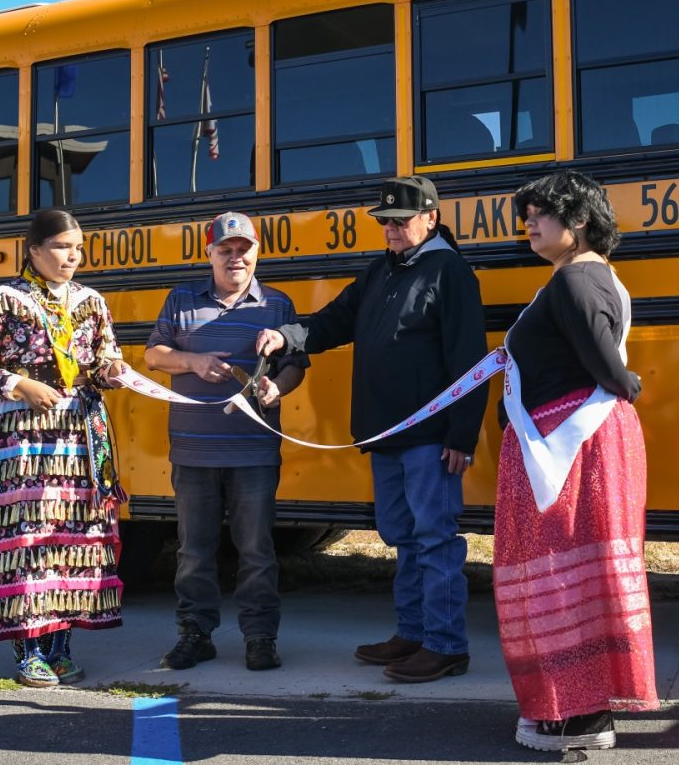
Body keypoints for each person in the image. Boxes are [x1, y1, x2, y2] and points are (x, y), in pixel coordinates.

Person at [255, 176, 487, 683]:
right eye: (384, 222)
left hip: (429, 438)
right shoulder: (382, 270)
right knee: (403, 536)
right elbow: (332, 321)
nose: (390, 230)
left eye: (400, 221)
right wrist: (285, 334)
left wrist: (461, 437)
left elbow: (470, 363)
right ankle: (412, 633)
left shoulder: (451, 273)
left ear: (431, 217)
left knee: (433, 539)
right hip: (386, 434)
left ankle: (446, 645)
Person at [495, 171, 656, 752]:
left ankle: (576, 713)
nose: (529, 223)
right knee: (568, 565)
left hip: (572, 442)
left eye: (541, 213)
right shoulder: (579, 278)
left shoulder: (575, 282)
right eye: (528, 213)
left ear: (579, 220)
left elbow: (606, 366)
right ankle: (571, 705)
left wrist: (627, 382)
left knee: (558, 566)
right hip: (569, 439)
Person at [0, 209, 129, 688]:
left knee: (73, 541)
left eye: (78, 248)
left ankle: (61, 647)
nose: (73, 256)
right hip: (25, 440)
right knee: (28, 540)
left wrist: (112, 372)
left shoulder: (91, 302)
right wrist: (19, 384)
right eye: (62, 247)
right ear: (33, 250)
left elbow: (105, 360)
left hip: (78, 437)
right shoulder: (3, 301)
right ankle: (28, 649)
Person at [143, 211, 309, 672]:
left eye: (244, 249)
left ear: (257, 252)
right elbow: (153, 355)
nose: (236, 258)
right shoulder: (181, 300)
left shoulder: (277, 306)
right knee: (193, 549)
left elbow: (296, 364)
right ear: (210, 254)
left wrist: (279, 388)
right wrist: (192, 361)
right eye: (226, 250)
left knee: (256, 549)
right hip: (193, 451)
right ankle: (196, 633)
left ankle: (260, 638)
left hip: (254, 451)